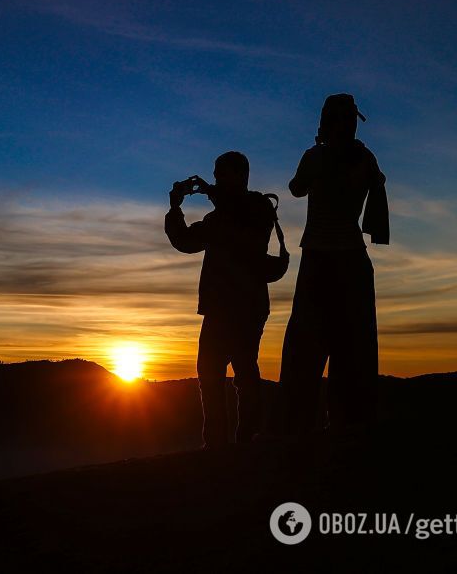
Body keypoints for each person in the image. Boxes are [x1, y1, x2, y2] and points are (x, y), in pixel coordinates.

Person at [279, 94, 389, 435]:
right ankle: (346, 418)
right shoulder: (366, 158)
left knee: (305, 343)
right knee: (353, 342)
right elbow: (376, 183)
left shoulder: (316, 156)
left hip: (318, 257)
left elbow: (296, 189)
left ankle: (295, 424)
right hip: (353, 258)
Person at [166, 151, 289, 449]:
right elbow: (187, 240)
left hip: (235, 307)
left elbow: (195, 239)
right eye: (216, 175)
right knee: (228, 372)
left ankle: (233, 442)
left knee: (231, 373)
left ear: (239, 176)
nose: (218, 180)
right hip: (239, 305)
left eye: (222, 174)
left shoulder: (247, 210)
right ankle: (229, 442)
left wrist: (186, 205)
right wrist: (177, 208)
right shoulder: (245, 210)